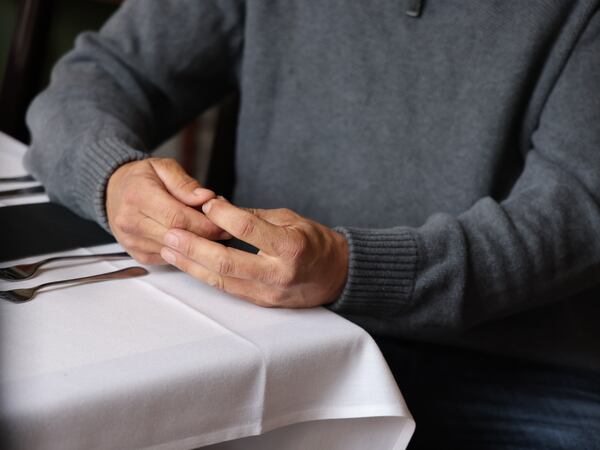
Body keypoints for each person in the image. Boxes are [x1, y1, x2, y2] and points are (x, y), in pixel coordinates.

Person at [24, 1, 600, 448]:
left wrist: (352, 269)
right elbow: (100, 77)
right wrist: (113, 178)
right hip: (275, 335)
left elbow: (577, 213)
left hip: (523, 369)